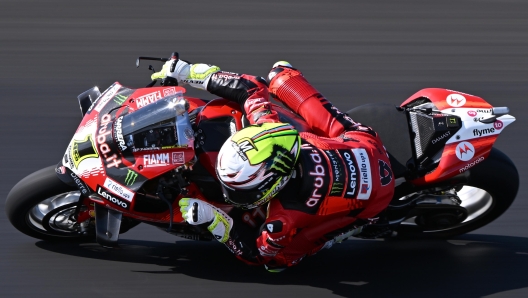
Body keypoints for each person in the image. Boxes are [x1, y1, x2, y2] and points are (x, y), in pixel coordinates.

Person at [151, 56, 395, 271]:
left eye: (238, 190)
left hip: (374, 199)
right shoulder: (266, 124)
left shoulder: (283, 220)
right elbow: (250, 87)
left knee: (281, 261)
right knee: (279, 74)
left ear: (272, 185)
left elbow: (257, 255)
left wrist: (216, 222)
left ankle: (359, 226)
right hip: (361, 141)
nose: (230, 195)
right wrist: (189, 72)